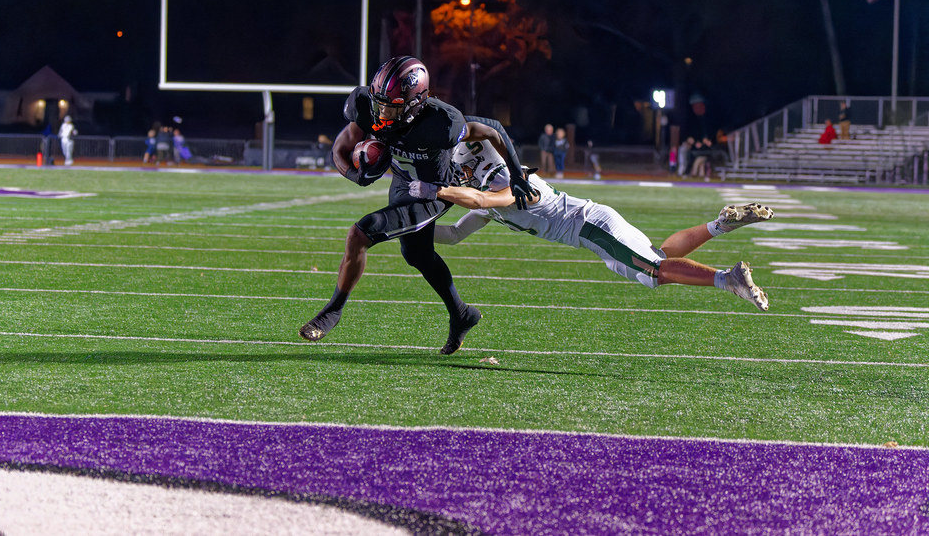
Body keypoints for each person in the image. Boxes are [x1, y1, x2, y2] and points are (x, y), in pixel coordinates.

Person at [298, 56, 534, 355]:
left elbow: (492, 129)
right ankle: (462, 314)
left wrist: (515, 173)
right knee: (417, 253)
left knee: (360, 234)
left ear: (416, 102)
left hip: (433, 191)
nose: (382, 111)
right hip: (401, 182)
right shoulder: (366, 104)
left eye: (392, 105)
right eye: (379, 102)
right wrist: (356, 175)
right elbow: (341, 147)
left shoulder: (442, 121)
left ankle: (333, 310)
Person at [410, 138, 772, 311]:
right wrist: (415, 229)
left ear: (479, 162)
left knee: (654, 270)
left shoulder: (516, 185)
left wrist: (436, 189)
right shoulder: (493, 194)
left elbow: (484, 200)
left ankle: (729, 279)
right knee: (657, 257)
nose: (462, 176)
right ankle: (720, 225)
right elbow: (455, 235)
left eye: (465, 169)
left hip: (591, 227)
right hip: (594, 228)